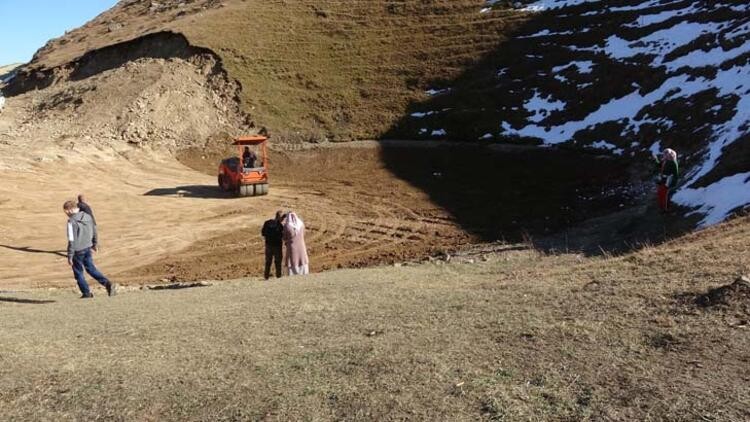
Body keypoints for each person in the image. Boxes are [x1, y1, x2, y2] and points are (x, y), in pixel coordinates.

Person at [63, 200, 116, 298]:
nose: (66, 214)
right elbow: (94, 230)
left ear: (69, 210)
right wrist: (95, 243)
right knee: (91, 269)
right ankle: (107, 283)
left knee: (78, 273)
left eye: (65, 212)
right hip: (87, 247)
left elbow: (71, 240)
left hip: (77, 251)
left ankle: (86, 293)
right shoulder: (88, 216)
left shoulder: (71, 221)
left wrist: (70, 255)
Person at [654, 148, 679, 212]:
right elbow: (659, 165)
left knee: (664, 194)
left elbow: (675, 174)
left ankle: (665, 209)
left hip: (668, 180)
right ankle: (662, 207)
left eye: (666, 154)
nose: (664, 155)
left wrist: (673, 182)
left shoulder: (672, 162)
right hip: (663, 180)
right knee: (660, 193)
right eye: (664, 154)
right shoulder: (665, 161)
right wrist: (655, 159)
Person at [262, 210, 284, 280]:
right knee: (278, 262)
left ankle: (266, 276)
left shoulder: (267, 223)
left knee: (268, 262)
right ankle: (278, 276)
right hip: (277, 246)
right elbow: (282, 236)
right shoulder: (280, 226)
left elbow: (263, 233)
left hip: (268, 245)